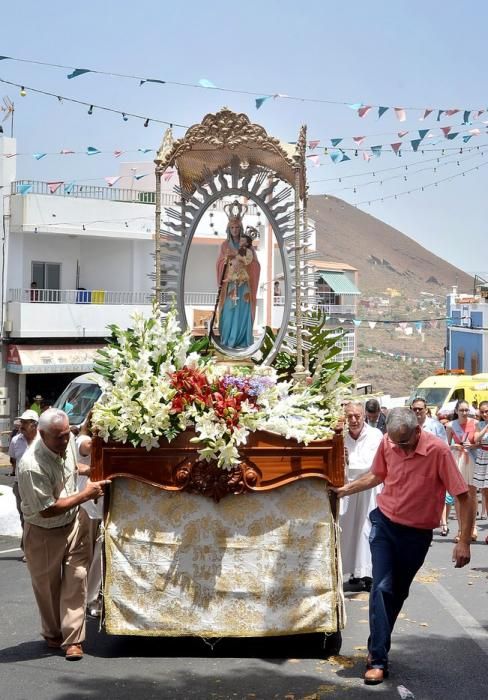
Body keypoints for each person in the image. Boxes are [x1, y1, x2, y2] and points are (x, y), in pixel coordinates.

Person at [331, 407, 472, 685]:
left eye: (405, 443)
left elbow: (463, 497)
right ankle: (378, 658)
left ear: (418, 430)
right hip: (384, 525)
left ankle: (377, 643)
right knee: (381, 588)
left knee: (397, 594)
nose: (401, 448)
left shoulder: (439, 452)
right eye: (396, 443)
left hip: (416, 535)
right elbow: (377, 475)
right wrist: (345, 490)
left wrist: (464, 540)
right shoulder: (388, 442)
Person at [18, 408, 110, 660]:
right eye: (58, 437)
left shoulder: (66, 439)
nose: (65, 440)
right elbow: (48, 510)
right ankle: (52, 633)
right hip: (43, 530)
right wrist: (85, 495)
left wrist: (89, 471)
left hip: (74, 523)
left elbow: (72, 466)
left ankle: (73, 639)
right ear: (42, 433)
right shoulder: (30, 465)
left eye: (67, 434)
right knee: (47, 587)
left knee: (77, 578)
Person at [340, 402, 383, 591]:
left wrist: (349, 462)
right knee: (348, 529)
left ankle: (367, 573)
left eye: (357, 415)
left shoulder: (375, 435)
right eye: (349, 416)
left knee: (366, 529)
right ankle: (352, 571)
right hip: (347, 488)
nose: (354, 420)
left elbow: (371, 463)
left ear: (364, 415)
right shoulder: (340, 436)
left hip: (368, 487)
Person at [216, 200, 260, 349]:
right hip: (230, 285)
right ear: (229, 229)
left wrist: (245, 261)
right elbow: (219, 263)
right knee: (229, 310)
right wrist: (227, 260)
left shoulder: (248, 246)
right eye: (232, 227)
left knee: (242, 311)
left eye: (237, 227)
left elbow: (255, 264)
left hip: (244, 285)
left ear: (241, 228)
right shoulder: (224, 245)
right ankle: (228, 338)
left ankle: (242, 340)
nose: (235, 230)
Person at [76, 413, 103, 617]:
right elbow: (90, 447)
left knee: (99, 556)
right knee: (88, 556)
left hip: (102, 505)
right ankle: (88, 599)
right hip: (88, 507)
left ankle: (94, 597)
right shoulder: (83, 440)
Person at [410, 397, 450, 535]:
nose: (417, 412)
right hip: (413, 468)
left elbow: (444, 446)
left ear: (426, 410)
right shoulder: (408, 427)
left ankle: (431, 525)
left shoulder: (436, 426)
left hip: (432, 466)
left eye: (419, 409)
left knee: (430, 498)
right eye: (414, 409)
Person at [8, 409, 39, 559]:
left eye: (25, 422)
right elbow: (13, 460)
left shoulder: (43, 439)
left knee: (38, 517)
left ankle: (33, 547)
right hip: (20, 485)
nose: (22, 425)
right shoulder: (15, 440)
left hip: (39, 484)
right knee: (24, 517)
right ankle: (28, 549)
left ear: (34, 425)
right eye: (22, 422)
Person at [446, 399, 478, 542]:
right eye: (461, 410)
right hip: (458, 460)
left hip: (472, 459)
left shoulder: (476, 423)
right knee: (459, 495)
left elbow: (479, 443)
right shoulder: (450, 426)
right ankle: (460, 529)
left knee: (471, 494)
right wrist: (454, 447)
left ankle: (473, 527)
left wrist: (472, 445)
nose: (464, 413)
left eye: (466, 410)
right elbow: (446, 446)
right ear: (456, 411)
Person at [473, 400, 488, 527]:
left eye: (487, 411)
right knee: (485, 491)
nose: (484, 414)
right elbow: (476, 438)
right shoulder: (480, 424)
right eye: (482, 412)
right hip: (483, 457)